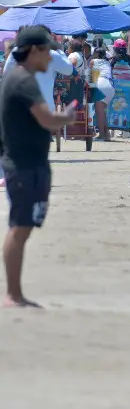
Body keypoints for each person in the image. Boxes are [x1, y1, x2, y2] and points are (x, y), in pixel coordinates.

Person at [0, 27, 76, 307]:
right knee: (19, 229)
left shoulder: (16, 77)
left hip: (24, 161)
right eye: (48, 50)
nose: (51, 56)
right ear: (34, 51)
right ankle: (13, 295)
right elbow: (47, 120)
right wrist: (66, 117)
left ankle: (14, 294)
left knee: (22, 228)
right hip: (24, 163)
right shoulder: (24, 80)